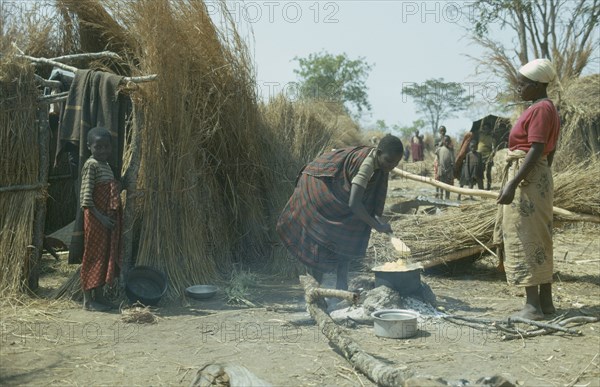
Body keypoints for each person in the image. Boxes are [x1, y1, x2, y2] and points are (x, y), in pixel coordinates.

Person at [277, 135, 404, 291]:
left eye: (396, 163)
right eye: (389, 161)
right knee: (323, 235)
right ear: (378, 153)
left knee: (351, 231)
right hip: (319, 185)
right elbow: (355, 204)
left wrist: (380, 222)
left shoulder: (381, 166)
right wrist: (377, 226)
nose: (391, 166)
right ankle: (316, 288)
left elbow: (370, 203)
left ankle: (341, 285)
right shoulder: (367, 165)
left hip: (338, 191)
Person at [495, 58, 560, 320]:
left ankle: (532, 307)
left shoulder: (541, 109)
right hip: (536, 177)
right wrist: (544, 174)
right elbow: (549, 151)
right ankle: (546, 304)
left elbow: (535, 147)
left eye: (523, 84)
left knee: (525, 236)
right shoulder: (545, 108)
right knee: (540, 237)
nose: (519, 88)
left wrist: (513, 182)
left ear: (537, 84)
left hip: (527, 179)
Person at [79, 127, 123, 311]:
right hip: (96, 219)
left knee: (104, 255)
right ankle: (87, 300)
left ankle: (99, 296)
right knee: (93, 255)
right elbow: (86, 199)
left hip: (106, 220)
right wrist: (102, 218)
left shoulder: (106, 166)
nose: (103, 151)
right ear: (89, 147)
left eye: (106, 147)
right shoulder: (91, 165)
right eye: (98, 147)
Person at [477, 123, 496, 190]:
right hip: (479, 157)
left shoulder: (491, 138)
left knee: (488, 173)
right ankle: (481, 188)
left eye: (486, 129)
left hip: (488, 157)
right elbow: (479, 130)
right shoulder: (480, 135)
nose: (485, 130)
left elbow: (494, 149)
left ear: (489, 130)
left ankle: (488, 187)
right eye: (484, 128)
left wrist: (492, 154)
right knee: (479, 173)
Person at [434, 135, 454, 200]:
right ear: (443, 141)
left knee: (448, 186)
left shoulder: (451, 150)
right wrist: (440, 145)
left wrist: (449, 169)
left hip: (448, 171)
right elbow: (436, 153)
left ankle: (447, 198)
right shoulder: (440, 149)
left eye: (448, 141)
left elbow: (453, 162)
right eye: (445, 141)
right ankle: (441, 198)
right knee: (441, 186)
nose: (447, 142)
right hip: (441, 170)